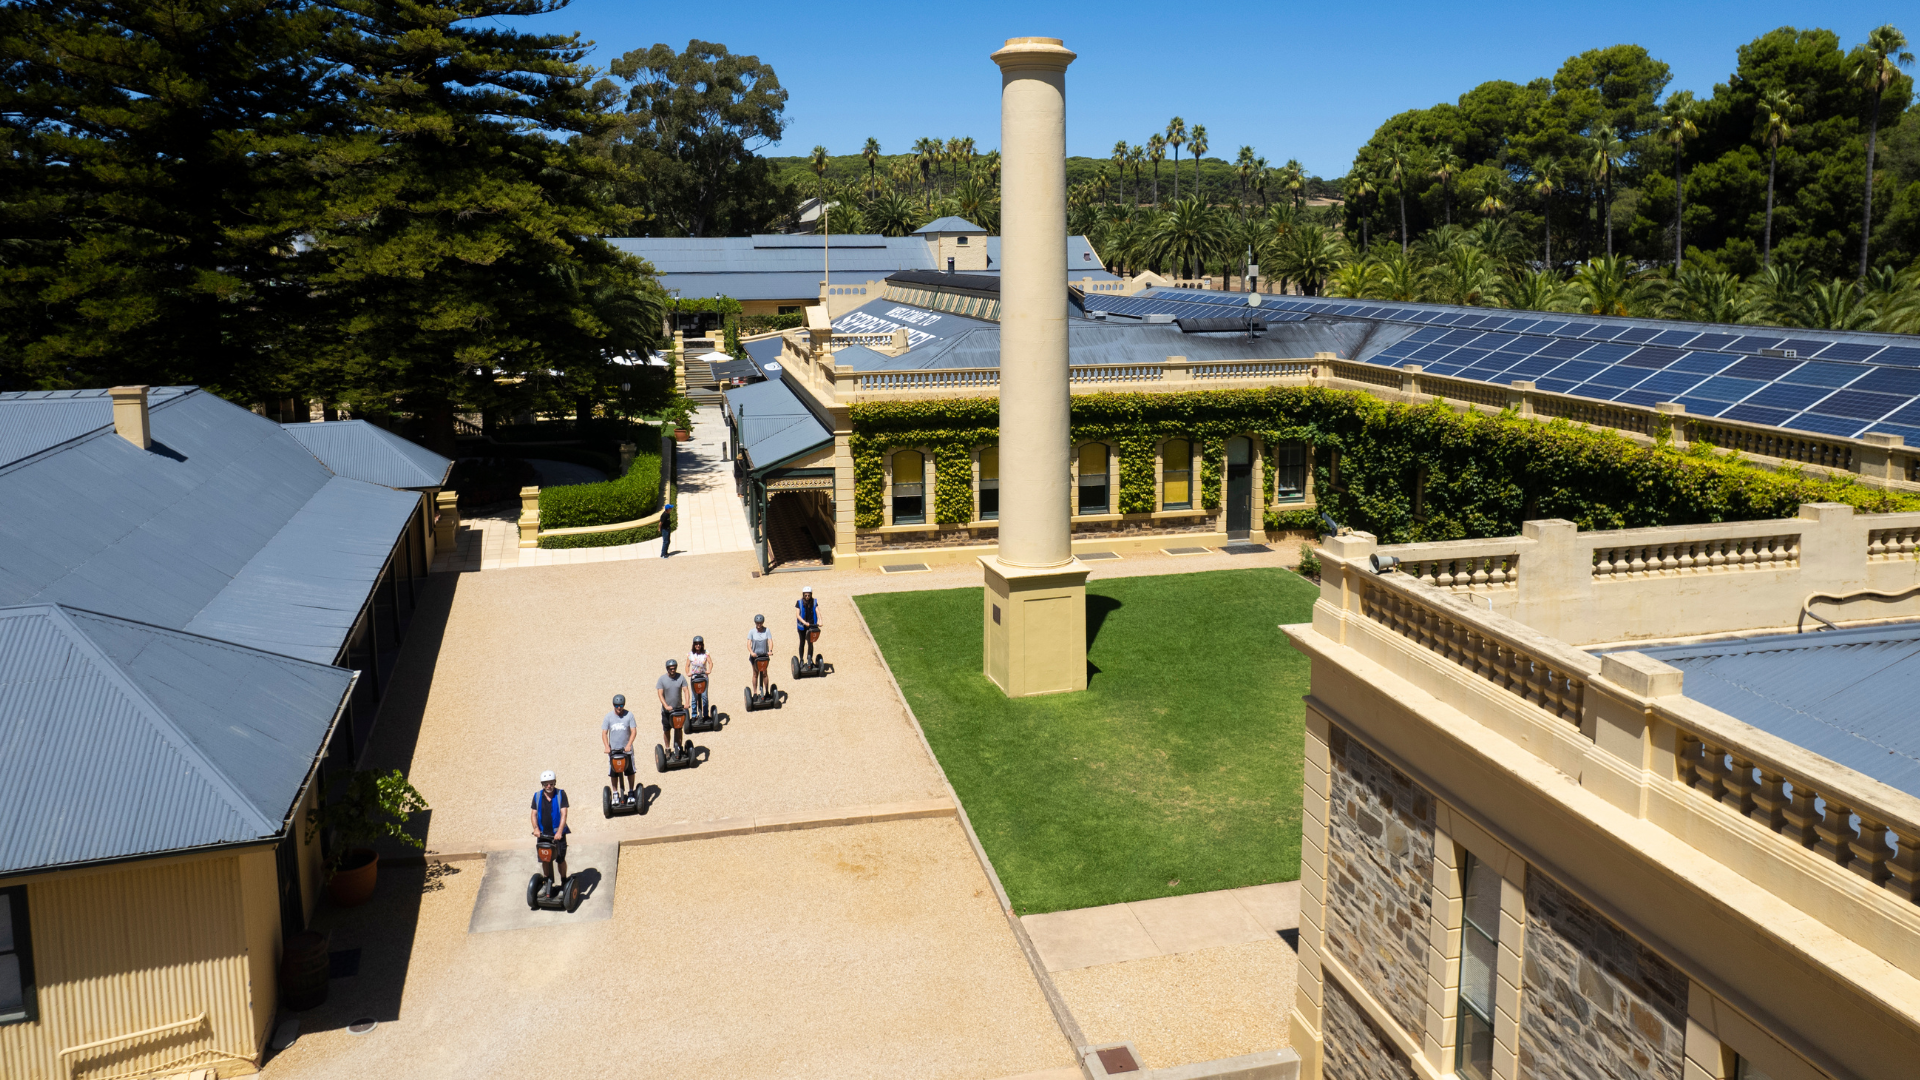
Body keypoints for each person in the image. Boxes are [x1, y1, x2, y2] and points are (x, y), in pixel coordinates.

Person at [529, 770, 569, 883]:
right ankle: (547, 881)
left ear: (554, 783)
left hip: (558, 835)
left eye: (551, 783)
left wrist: (560, 832)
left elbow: (564, 814)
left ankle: (564, 881)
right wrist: (536, 829)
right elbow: (533, 814)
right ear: (542, 784)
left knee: (560, 859)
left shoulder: (561, 794)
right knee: (545, 859)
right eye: (546, 784)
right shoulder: (537, 796)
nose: (549, 786)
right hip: (543, 834)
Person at [602, 694, 636, 798]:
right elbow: (604, 733)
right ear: (613, 705)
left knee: (630, 771)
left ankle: (630, 791)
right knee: (613, 773)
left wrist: (629, 744)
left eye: (621, 705)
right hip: (614, 751)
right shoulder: (608, 717)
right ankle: (616, 793)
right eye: (617, 705)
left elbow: (633, 731)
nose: (619, 708)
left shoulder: (629, 715)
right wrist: (607, 747)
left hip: (626, 750)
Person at [656, 658, 689, 755]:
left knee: (678, 729)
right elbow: (660, 694)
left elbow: (686, 690)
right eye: (671, 668)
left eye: (674, 668)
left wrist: (687, 703)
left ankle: (679, 747)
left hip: (678, 709)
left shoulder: (681, 677)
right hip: (667, 711)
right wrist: (666, 706)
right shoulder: (662, 679)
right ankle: (667, 748)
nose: (673, 670)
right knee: (667, 730)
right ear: (667, 669)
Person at [685, 636, 714, 720]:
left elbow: (710, 662)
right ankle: (694, 716)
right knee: (694, 698)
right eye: (696, 644)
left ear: (702, 645)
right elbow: (687, 665)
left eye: (699, 644)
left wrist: (709, 670)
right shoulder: (690, 654)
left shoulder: (705, 653)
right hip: (694, 678)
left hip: (703, 677)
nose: (698, 646)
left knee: (704, 697)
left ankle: (705, 715)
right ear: (694, 645)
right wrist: (688, 673)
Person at [795, 584, 821, 663]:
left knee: (810, 643)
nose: (807, 597)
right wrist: (804, 622)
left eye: (808, 595)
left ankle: (809, 658)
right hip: (802, 626)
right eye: (805, 595)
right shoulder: (799, 602)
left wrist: (820, 620)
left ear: (811, 595)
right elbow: (797, 615)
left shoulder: (814, 602)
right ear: (803, 595)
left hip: (811, 625)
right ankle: (801, 659)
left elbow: (818, 611)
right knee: (802, 642)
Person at [748, 614, 772, 695]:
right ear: (755, 623)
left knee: (765, 673)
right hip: (755, 657)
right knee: (755, 674)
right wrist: (751, 652)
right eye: (757, 623)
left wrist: (770, 650)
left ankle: (767, 692)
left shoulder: (767, 630)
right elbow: (748, 643)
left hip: (764, 656)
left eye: (760, 623)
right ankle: (755, 693)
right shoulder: (752, 631)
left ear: (762, 623)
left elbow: (770, 641)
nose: (759, 625)